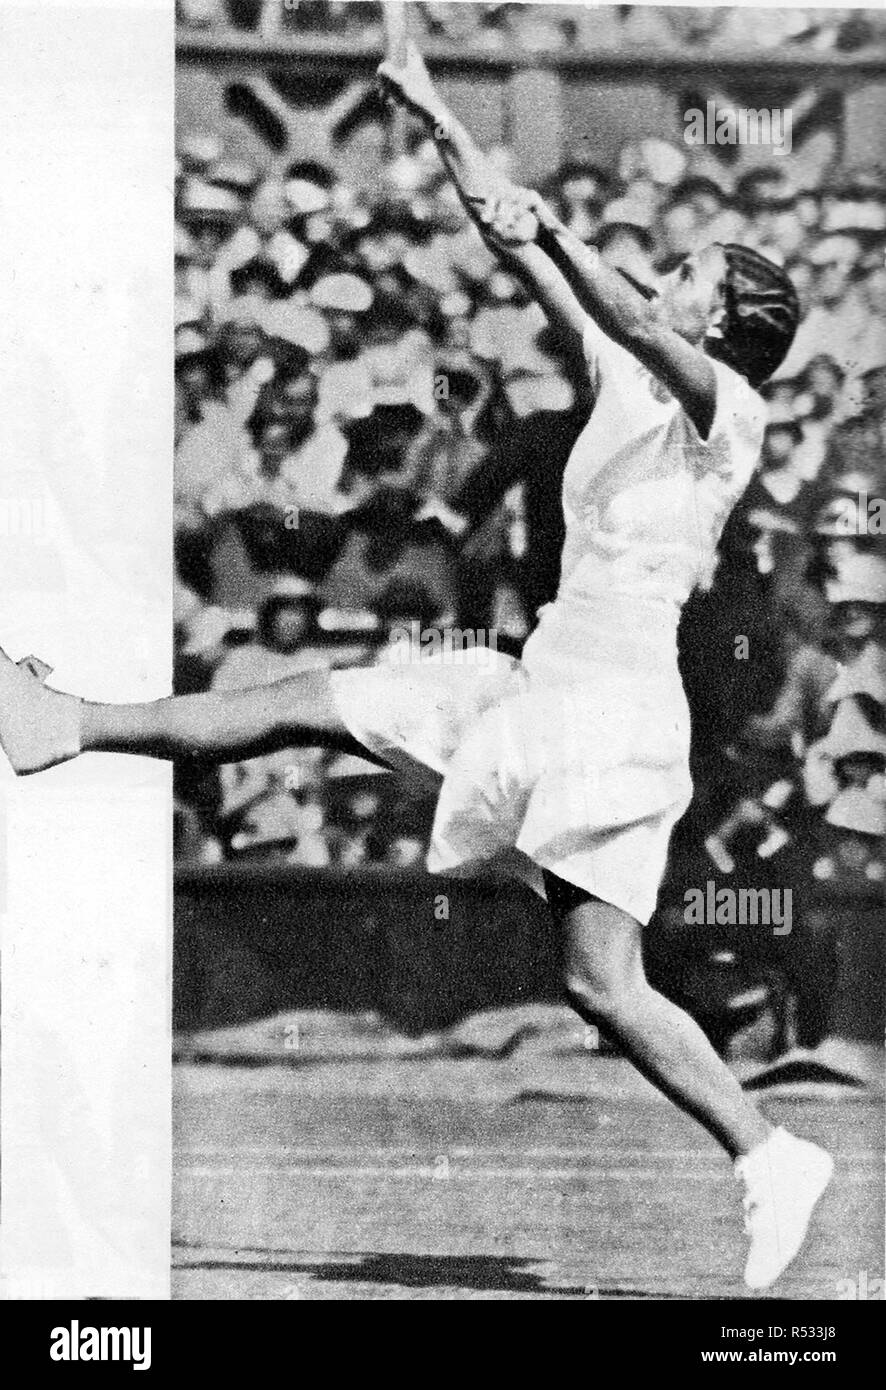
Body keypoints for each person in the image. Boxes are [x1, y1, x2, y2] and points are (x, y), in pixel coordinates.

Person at [1, 44, 832, 1291]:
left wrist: (557, 229)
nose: (664, 276)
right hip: (532, 679)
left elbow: (605, 298)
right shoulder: (623, 365)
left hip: (611, 713)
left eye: (686, 272)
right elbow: (525, 250)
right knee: (304, 707)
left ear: (717, 320)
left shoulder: (732, 411)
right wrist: (438, 112)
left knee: (600, 986)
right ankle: (62, 719)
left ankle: (767, 1151)